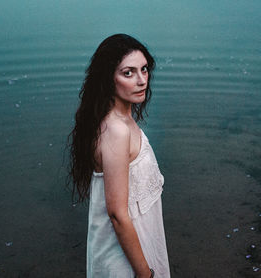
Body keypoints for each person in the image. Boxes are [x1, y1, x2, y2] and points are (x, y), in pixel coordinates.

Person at [68, 34, 170, 278]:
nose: (141, 80)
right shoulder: (116, 130)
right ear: (108, 79)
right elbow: (117, 214)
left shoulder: (121, 120)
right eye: (128, 73)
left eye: (144, 70)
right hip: (125, 260)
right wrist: (145, 274)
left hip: (138, 241)